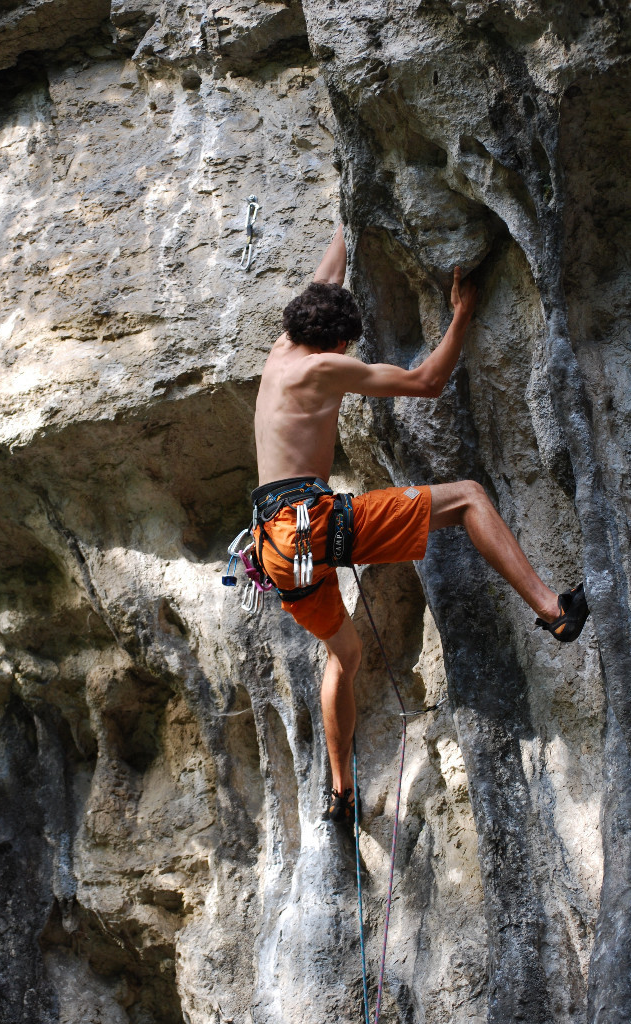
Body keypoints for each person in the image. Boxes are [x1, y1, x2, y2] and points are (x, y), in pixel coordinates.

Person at [251, 225, 589, 827]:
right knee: (467, 498)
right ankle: (552, 609)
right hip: (310, 525)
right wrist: (461, 315)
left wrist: (345, 226)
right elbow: (425, 383)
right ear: (333, 340)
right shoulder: (322, 369)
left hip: (274, 549)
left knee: (345, 656)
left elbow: (327, 276)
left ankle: (340, 789)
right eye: (347, 340)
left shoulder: (284, 348)